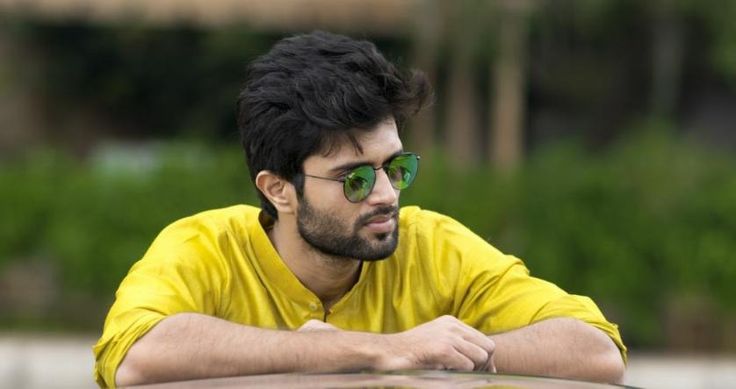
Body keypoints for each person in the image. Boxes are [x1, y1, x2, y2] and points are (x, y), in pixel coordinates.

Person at [93, 31, 626, 387]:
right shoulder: (203, 247)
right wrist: (372, 352)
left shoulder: (435, 246)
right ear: (279, 188)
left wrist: (433, 353)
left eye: (395, 167)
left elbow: (597, 351)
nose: (387, 195)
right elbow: (137, 355)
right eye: (356, 179)